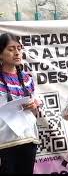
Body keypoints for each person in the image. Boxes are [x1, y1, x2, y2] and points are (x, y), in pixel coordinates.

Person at [0, 33, 41, 174]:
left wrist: (34, 106)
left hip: (28, 139)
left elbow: (35, 111)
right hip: (4, 141)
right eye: (11, 49)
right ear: (1, 54)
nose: (17, 53)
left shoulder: (27, 78)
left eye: (19, 48)